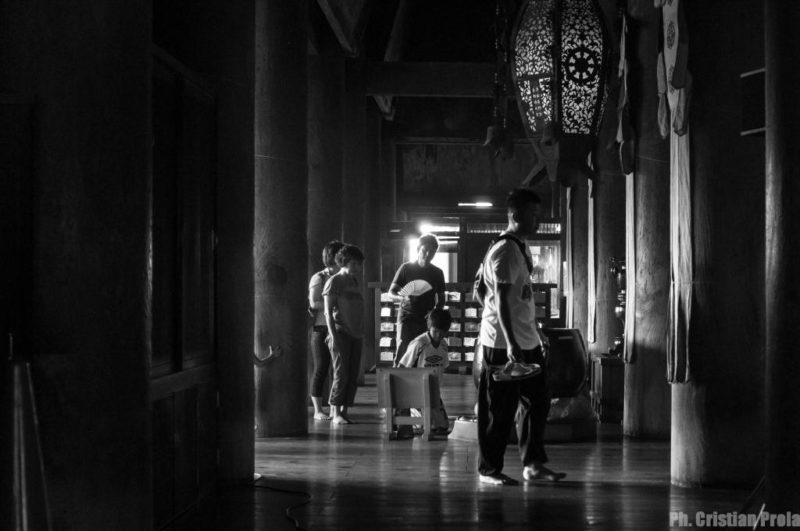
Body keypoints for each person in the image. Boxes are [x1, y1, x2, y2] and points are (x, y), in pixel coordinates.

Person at [476, 188, 566, 486]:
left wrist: (535, 330)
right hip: (505, 346)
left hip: (526, 341)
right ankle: (489, 469)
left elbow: (513, 298)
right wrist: (510, 340)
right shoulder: (504, 251)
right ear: (515, 215)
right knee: (498, 410)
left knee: (537, 403)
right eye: (533, 214)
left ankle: (533, 464)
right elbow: (499, 300)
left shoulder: (520, 246)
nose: (538, 220)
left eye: (539, 214)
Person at [388, 233, 446, 367]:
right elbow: (390, 293)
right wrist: (402, 297)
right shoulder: (406, 268)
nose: (427, 255)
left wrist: (434, 314)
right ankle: (398, 384)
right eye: (424, 251)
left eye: (432, 252)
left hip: (426, 319)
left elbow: (442, 300)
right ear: (418, 249)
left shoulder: (438, 273)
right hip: (406, 317)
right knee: (403, 352)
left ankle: (419, 386)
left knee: (423, 354)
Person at [323, 244, 365, 425]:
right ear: (344, 262)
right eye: (355, 264)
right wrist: (333, 335)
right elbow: (327, 311)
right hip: (341, 332)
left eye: (359, 264)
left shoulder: (355, 281)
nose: (358, 267)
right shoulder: (334, 281)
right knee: (341, 374)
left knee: (353, 373)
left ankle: (345, 410)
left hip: (356, 333)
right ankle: (335, 411)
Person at [397, 308, 453, 435]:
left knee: (443, 427)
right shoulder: (419, 343)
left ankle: (425, 414)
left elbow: (443, 366)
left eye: (442, 332)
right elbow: (402, 366)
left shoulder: (444, 345)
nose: (439, 335)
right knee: (431, 427)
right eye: (435, 331)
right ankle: (411, 411)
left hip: (434, 392)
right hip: (417, 390)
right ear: (429, 327)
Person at [307, 240, 344, 420]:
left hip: (340, 327)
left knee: (337, 370)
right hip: (321, 328)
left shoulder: (345, 277)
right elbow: (313, 303)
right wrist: (335, 304)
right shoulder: (319, 277)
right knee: (321, 368)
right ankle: (317, 410)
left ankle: (335, 408)